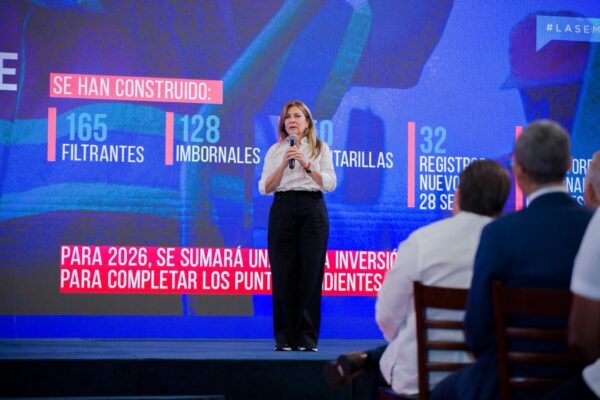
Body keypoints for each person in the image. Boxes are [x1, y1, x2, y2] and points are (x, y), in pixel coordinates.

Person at [431, 120, 595, 400]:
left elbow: (477, 331)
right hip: (582, 384)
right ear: (569, 164)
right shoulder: (595, 226)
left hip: (513, 384)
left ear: (517, 169)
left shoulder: (499, 234)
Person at [324, 159, 511, 396]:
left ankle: (366, 359)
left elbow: (387, 315)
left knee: (390, 360)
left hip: (420, 380)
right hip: (490, 382)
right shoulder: (512, 249)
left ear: (458, 196)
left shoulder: (422, 241)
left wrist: (405, 339)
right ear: (502, 202)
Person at [258, 100, 337, 352]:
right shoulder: (275, 150)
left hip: (312, 209)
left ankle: (306, 338)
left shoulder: (320, 148)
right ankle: (284, 337)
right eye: (288, 117)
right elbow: (265, 187)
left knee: (310, 274)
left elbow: (329, 183)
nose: (292, 120)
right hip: (283, 208)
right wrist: (284, 164)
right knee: (283, 274)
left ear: (307, 122)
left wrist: (307, 164)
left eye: (297, 116)